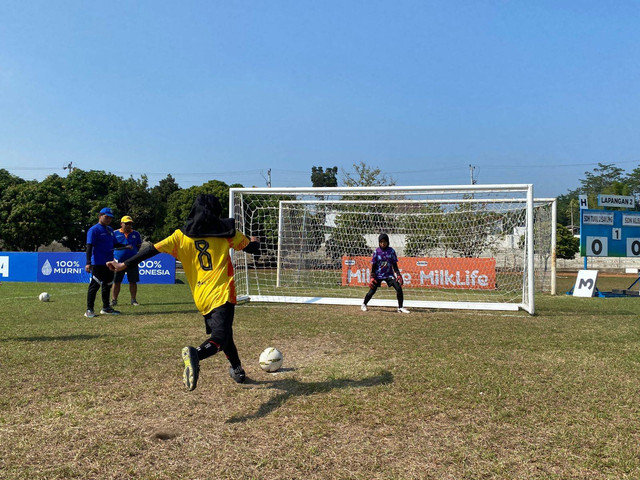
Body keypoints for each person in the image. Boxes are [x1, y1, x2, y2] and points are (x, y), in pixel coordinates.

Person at [107, 194, 260, 391]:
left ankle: (237, 368)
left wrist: (123, 264)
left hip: (201, 297)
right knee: (220, 336)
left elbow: (151, 250)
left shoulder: (180, 236)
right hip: (222, 293)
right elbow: (252, 248)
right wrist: (255, 241)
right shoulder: (228, 232)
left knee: (225, 335)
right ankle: (196, 354)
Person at [85, 207, 121, 318]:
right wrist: (88, 262)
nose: (108, 219)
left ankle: (106, 308)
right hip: (98, 263)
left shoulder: (110, 230)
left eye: (110, 218)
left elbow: (115, 244)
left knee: (108, 285)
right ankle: (89, 310)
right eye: (106, 217)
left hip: (110, 262)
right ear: (100, 216)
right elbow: (89, 246)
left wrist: (127, 246)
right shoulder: (94, 230)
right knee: (95, 286)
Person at [361, 233, 410, 314]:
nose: (383, 243)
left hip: (389, 275)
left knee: (398, 288)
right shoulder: (376, 252)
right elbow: (374, 265)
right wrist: (372, 277)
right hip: (378, 275)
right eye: (381, 242)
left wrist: (398, 274)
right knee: (372, 291)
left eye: (384, 242)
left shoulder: (391, 251)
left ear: (388, 242)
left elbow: (394, 264)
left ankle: (400, 307)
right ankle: (364, 304)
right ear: (379, 242)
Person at [111, 215, 143, 307]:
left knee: (133, 281)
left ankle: (133, 300)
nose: (128, 225)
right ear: (121, 224)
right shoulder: (115, 233)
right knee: (117, 281)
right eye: (126, 224)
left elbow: (139, 246)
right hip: (119, 262)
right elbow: (112, 246)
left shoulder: (136, 234)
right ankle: (114, 300)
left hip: (132, 261)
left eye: (130, 224)